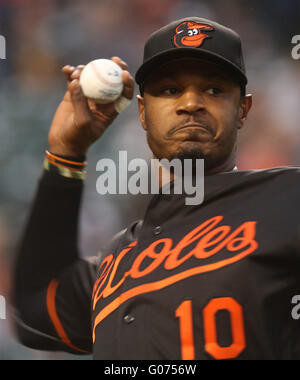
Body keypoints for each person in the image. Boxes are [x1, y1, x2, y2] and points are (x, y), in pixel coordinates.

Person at [13, 17, 300, 360]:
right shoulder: (115, 260)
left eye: (213, 89)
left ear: (242, 109)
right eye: (169, 90)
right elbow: (35, 311)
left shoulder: (287, 197)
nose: (190, 103)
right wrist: (65, 153)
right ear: (143, 113)